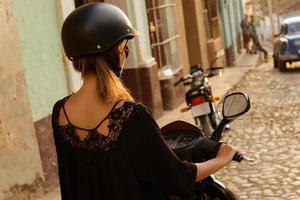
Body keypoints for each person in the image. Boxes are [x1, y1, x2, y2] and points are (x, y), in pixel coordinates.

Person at [52, 3, 238, 200]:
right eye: (124, 48)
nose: (125, 54)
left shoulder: (60, 112)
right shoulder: (131, 115)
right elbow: (177, 178)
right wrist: (222, 158)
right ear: (114, 52)